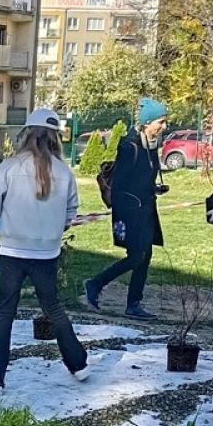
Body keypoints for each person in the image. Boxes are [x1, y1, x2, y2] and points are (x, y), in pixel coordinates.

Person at [0, 107, 90, 394]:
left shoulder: (10, 167)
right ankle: (78, 365)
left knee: (4, 314)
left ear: (25, 134)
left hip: (12, 252)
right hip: (46, 255)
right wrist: (52, 232)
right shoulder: (64, 172)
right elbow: (71, 211)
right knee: (53, 308)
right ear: (55, 139)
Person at [84, 97, 168, 319]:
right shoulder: (130, 146)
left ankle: (134, 304)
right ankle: (95, 283)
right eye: (160, 122)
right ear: (147, 123)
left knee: (145, 256)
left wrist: (154, 188)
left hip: (146, 210)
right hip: (131, 212)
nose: (163, 127)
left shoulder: (150, 145)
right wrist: (132, 207)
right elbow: (121, 185)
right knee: (137, 256)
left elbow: (141, 178)